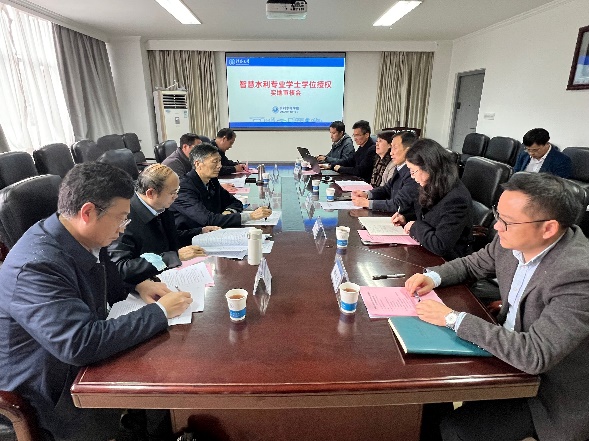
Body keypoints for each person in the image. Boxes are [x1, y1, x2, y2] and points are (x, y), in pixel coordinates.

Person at [0, 162, 193, 441]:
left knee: (168, 376)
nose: (123, 229)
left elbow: (108, 280)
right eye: (121, 218)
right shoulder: (36, 267)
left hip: (74, 363)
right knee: (166, 387)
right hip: (48, 391)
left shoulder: (78, 235)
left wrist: (138, 284)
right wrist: (160, 312)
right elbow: (80, 343)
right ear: (88, 212)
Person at [404, 173, 589, 441]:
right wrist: (433, 277)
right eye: (497, 215)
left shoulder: (578, 275)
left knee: (456, 430)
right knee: (428, 390)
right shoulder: (514, 240)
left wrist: (453, 318)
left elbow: (535, 355)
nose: (496, 226)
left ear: (548, 228)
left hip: (547, 388)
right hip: (504, 350)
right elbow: (471, 264)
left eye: (507, 221)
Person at [108, 163, 220, 285]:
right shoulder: (125, 218)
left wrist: (200, 232)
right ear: (151, 193)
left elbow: (168, 237)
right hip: (145, 285)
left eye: (177, 191)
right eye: (173, 193)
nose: (176, 197)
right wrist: (172, 257)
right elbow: (120, 268)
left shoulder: (160, 205)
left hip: (168, 274)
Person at [391, 138, 473, 260]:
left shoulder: (456, 199)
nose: (412, 176)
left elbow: (441, 245)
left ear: (429, 167)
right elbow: (428, 215)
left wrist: (415, 226)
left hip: (447, 260)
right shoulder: (432, 183)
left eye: (413, 171)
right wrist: (406, 218)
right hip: (425, 249)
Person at [170, 142, 272, 229]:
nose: (219, 166)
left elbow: (235, 202)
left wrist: (228, 212)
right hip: (190, 238)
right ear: (198, 164)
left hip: (214, 232)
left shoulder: (212, 180)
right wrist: (251, 216)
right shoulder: (183, 188)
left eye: (219, 161)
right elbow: (208, 220)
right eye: (215, 162)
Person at [352, 131, 419, 213]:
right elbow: (386, 188)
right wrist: (367, 194)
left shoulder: (413, 173)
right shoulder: (400, 167)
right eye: (391, 147)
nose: (391, 153)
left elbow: (398, 204)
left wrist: (367, 203)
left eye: (395, 148)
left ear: (408, 151)